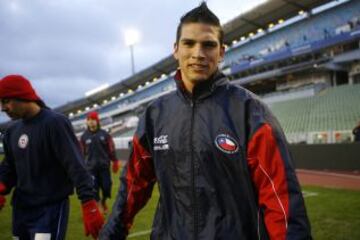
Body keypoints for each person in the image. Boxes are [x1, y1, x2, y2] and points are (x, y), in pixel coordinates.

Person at [99, 2, 312, 240]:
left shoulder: (251, 113)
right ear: (176, 49)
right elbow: (132, 187)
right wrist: (110, 234)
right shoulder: (154, 115)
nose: (198, 54)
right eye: (189, 43)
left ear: (221, 51)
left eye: (208, 45)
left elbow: (281, 200)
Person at [0, 75, 104, 239]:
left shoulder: (54, 123)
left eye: (6, 101)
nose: (3, 108)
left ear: (22, 96)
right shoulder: (12, 131)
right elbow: (10, 166)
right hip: (20, 209)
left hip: (49, 210)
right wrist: (1, 186)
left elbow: (75, 165)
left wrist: (88, 203)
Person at [80, 111, 120, 214]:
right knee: (94, 189)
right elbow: (81, 153)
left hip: (104, 167)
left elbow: (111, 149)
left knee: (107, 187)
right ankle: (99, 207)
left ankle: (103, 201)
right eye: (89, 120)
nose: (91, 122)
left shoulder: (105, 134)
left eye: (93, 120)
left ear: (97, 121)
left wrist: (115, 161)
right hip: (90, 169)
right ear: (87, 122)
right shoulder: (84, 137)